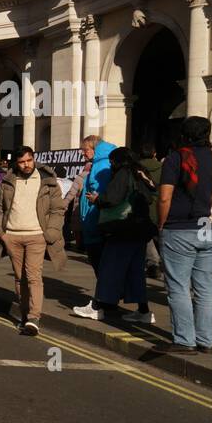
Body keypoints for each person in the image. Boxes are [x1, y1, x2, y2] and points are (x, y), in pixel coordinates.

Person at [154, 116, 212, 354]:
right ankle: (206, 341)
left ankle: (184, 340)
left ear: (183, 135)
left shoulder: (176, 158)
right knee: (206, 286)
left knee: (179, 286)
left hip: (181, 228)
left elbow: (165, 198)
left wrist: (161, 225)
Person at [0, 147, 68, 335]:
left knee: (33, 276)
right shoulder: (8, 180)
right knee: (20, 278)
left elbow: (58, 209)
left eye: (29, 160)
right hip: (12, 236)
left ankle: (34, 318)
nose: (26, 165)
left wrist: (50, 232)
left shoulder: (47, 180)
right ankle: (25, 315)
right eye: (21, 162)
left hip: (37, 236)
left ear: (33, 159)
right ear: (16, 163)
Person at [79, 147, 157, 324]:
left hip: (122, 227)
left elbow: (112, 198)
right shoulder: (141, 172)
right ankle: (144, 311)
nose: (111, 164)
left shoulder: (123, 173)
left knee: (109, 268)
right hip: (140, 228)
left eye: (112, 161)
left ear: (118, 161)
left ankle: (97, 307)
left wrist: (97, 199)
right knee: (135, 271)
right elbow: (151, 194)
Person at [77, 135, 115, 311]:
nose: (83, 153)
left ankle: (101, 303)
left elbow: (101, 195)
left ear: (95, 148)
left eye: (85, 150)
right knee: (103, 266)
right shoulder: (100, 163)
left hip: (96, 221)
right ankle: (107, 300)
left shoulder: (101, 165)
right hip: (94, 220)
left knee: (101, 266)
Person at [137, 142, 164, 279]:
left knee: (146, 237)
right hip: (161, 206)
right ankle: (164, 262)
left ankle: (153, 263)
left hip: (143, 205)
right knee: (160, 236)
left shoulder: (135, 168)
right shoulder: (163, 168)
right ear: (154, 154)